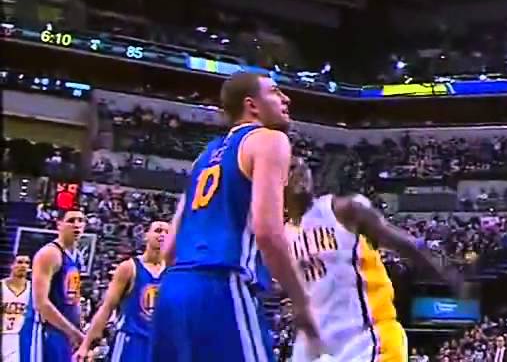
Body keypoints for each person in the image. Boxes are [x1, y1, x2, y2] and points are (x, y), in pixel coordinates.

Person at [149, 72, 321, 362]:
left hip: (173, 289)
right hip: (222, 283)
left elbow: (169, 250)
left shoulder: (203, 157)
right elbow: (267, 232)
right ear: (252, 105)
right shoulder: (269, 140)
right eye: (275, 92)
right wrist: (301, 300)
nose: (286, 99)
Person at [283, 157, 459, 362]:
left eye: (303, 167)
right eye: (290, 168)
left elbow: (404, 243)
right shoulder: (283, 236)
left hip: (368, 337)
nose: (300, 171)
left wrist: (446, 273)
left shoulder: (342, 209)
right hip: (321, 345)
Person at [73, 221, 169, 362]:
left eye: (167, 232)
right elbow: (106, 308)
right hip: (130, 340)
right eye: (158, 230)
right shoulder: (129, 268)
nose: (163, 235)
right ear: (146, 235)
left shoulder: (173, 271)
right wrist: (85, 345)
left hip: (160, 343)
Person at [19, 210, 86, 362]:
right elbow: (41, 304)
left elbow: (73, 297)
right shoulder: (49, 254)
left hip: (64, 329)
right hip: (43, 329)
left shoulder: (78, 256)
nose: (77, 225)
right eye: (71, 221)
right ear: (59, 224)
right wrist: (73, 332)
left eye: (80, 221)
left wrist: (78, 325)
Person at [3, 256, 32, 362]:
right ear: (11, 265)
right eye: (19, 262)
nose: (23, 266)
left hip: (20, 337)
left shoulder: (34, 289)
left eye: (27, 263)